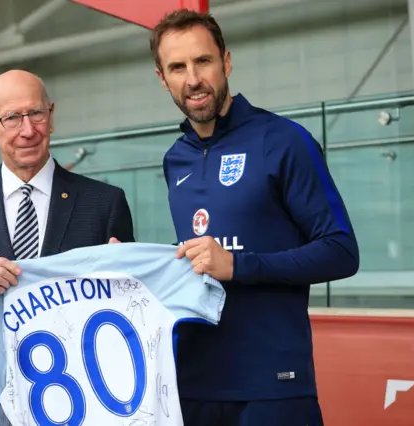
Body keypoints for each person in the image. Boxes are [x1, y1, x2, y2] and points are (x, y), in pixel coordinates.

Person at [148, 9, 360, 426]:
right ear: (162, 78)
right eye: (178, 67)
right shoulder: (175, 159)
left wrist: (239, 265)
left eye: (203, 61)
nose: (192, 79)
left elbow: (341, 250)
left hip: (272, 386)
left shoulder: (282, 140)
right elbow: (197, 265)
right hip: (194, 384)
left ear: (226, 62)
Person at [0, 70, 135, 424]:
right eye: (11, 118)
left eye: (36, 113)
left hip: (90, 397)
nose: (28, 130)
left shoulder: (104, 203)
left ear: (51, 115)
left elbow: (132, 309)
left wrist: (123, 283)